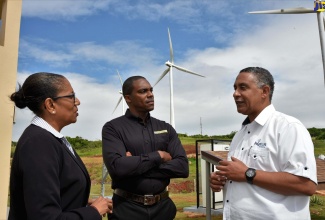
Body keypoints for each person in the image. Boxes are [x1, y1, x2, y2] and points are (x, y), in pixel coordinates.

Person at [210, 67, 317, 220]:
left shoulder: (288, 127)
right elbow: (238, 174)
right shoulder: (239, 135)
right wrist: (222, 179)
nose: (235, 93)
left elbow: (306, 185)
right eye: (234, 88)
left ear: (264, 91)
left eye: (243, 87)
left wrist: (247, 173)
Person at [8, 72, 113, 220]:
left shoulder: (51, 140)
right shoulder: (38, 144)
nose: (78, 101)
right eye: (71, 96)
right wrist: (94, 211)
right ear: (50, 105)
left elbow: (56, 194)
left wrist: (83, 202)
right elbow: (45, 216)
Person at [102, 76, 189, 220]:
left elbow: (182, 167)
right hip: (127, 210)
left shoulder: (166, 128)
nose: (150, 95)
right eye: (143, 91)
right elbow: (117, 168)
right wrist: (159, 156)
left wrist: (135, 165)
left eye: (151, 90)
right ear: (128, 98)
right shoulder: (113, 128)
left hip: (163, 210)